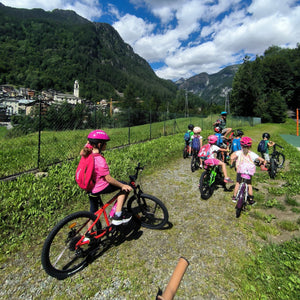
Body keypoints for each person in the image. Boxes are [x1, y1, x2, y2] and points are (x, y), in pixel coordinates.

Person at [80, 129, 133, 226]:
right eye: (105, 144)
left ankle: (88, 235)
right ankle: (117, 216)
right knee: (125, 188)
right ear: (99, 145)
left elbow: (86, 146)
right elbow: (108, 179)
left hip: (89, 187)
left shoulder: (86, 152)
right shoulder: (99, 160)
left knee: (93, 213)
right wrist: (122, 185)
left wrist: (90, 141)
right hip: (99, 187)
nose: (106, 145)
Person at [230, 136, 266, 205]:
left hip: (240, 169)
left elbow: (232, 157)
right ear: (250, 146)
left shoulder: (239, 152)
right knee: (249, 184)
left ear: (241, 145)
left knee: (238, 182)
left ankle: (234, 197)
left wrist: (233, 161)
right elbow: (261, 159)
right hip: (249, 171)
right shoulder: (252, 154)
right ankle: (251, 199)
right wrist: (263, 162)